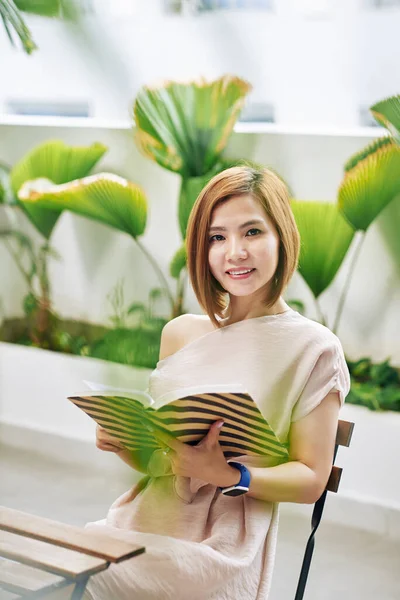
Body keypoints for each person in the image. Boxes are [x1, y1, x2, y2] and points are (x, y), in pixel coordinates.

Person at [83, 165, 350, 600]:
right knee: (75, 564)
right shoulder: (180, 332)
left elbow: (310, 479)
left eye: (252, 232)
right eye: (217, 237)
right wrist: (126, 441)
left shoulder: (313, 347)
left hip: (221, 549)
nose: (235, 253)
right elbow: (166, 465)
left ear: (282, 237)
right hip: (142, 520)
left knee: (85, 579)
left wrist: (228, 473)